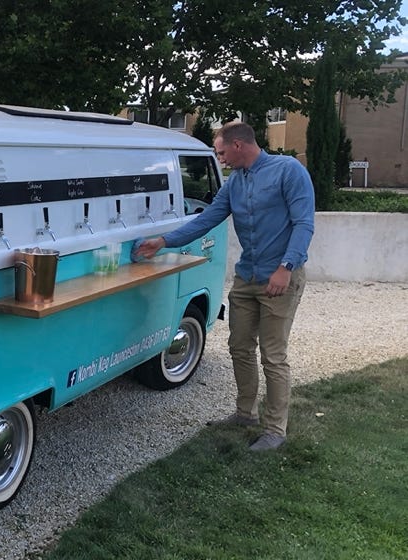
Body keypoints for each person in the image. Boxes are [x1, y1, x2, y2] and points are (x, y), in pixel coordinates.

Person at [135, 121, 315, 451]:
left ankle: (275, 429)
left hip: (280, 276)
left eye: (220, 153)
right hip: (248, 277)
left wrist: (285, 267)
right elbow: (206, 219)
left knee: (273, 356)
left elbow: (304, 223)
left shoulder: (287, 171)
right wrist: (163, 241)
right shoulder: (234, 184)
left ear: (238, 145)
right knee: (239, 346)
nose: (220, 160)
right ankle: (245, 413)